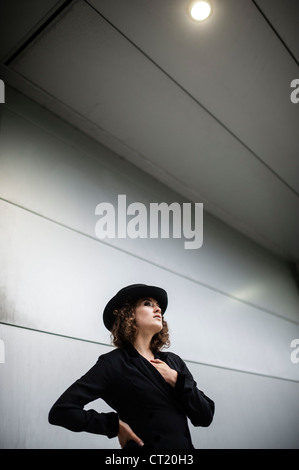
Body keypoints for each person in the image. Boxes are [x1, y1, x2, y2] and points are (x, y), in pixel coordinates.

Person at [48, 284, 215, 449]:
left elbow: (205, 416)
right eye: (148, 304)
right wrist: (114, 426)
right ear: (128, 315)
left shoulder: (173, 362)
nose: (158, 310)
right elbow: (62, 411)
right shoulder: (114, 363)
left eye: (159, 307)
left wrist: (175, 379)